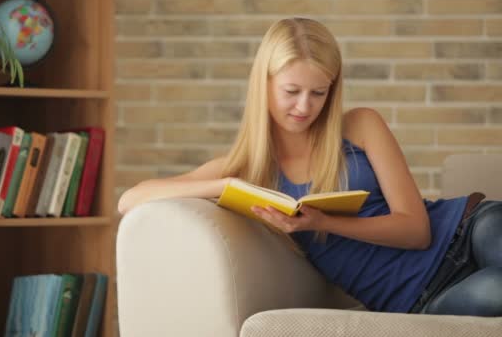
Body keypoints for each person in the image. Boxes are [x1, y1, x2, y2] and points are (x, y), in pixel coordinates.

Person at [117, 17, 502, 317]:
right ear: (264, 85)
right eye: (291, 91)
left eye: (319, 93)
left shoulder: (361, 125)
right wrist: (224, 183)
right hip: (421, 297)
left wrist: (322, 222)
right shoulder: (247, 169)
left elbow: (416, 230)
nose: (305, 106)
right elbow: (130, 200)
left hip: (468, 227)